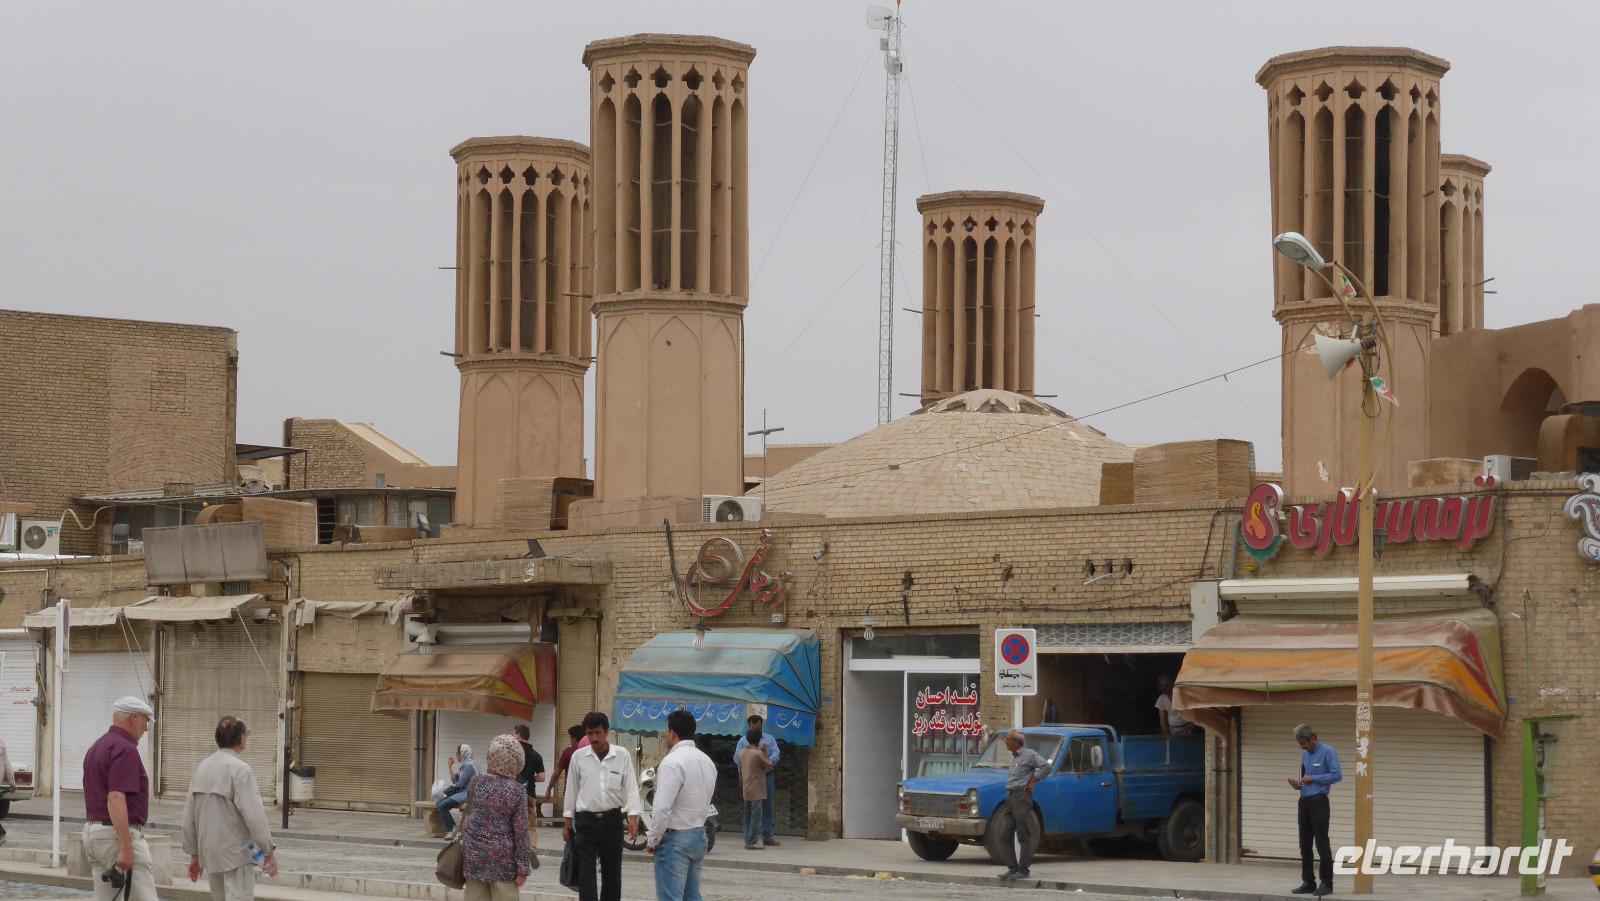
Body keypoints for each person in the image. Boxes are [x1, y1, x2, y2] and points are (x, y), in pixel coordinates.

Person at [181, 716, 278, 900]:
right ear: (241, 739)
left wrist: (194, 854)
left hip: (211, 855)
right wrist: (268, 851)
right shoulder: (241, 770)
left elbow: (188, 817)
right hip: (237, 855)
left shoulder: (202, 767)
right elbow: (255, 817)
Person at [82, 696, 157, 901]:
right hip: (115, 836)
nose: (146, 728)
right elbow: (115, 797)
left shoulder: (97, 746)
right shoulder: (125, 749)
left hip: (94, 833)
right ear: (133, 719)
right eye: (145, 721)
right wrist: (126, 847)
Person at [562, 711, 641, 901]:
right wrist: (567, 822)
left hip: (612, 820)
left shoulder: (621, 755)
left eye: (597, 733)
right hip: (585, 822)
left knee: (612, 872)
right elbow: (571, 790)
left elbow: (631, 787)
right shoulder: (578, 757)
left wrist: (633, 817)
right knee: (586, 875)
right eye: (590, 734)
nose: (594, 738)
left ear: (606, 732)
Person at [648, 709, 716, 901]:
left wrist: (653, 839)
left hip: (675, 838)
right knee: (692, 896)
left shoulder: (672, 761)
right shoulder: (706, 761)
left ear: (672, 733)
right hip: (698, 834)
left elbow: (662, 807)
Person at [461, 734, 533, 901]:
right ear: (514, 760)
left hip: (474, 858)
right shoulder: (517, 790)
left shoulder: (476, 782)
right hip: (503, 862)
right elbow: (521, 833)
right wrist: (523, 868)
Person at [1289, 723, 1341, 897]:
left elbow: (1337, 775)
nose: (1301, 747)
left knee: (1321, 842)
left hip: (1319, 802)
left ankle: (1327, 882)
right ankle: (1308, 881)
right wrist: (1299, 784)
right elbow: (1305, 778)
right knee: (1304, 843)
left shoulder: (1328, 751)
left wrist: (1314, 778)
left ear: (1312, 739)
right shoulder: (1305, 754)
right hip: (1304, 800)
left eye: (1303, 743)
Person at [996, 730, 1050, 881]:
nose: (1005, 743)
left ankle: (1023, 869)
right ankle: (1012, 868)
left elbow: (1046, 767)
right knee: (1004, 834)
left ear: (1017, 742)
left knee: (1023, 835)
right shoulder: (1014, 757)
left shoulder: (1029, 754)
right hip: (1010, 797)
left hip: (1022, 797)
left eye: (1008, 740)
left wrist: (1033, 781)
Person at [732, 713, 780, 846]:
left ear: (761, 725)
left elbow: (776, 754)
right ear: (749, 727)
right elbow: (736, 758)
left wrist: (769, 759)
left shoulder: (769, 739)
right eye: (754, 729)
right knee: (750, 810)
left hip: (766, 777)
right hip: (750, 779)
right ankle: (749, 837)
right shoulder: (743, 742)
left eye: (758, 729)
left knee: (767, 807)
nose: (756, 732)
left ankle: (767, 836)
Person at [736, 729, 772, 851]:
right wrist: (765, 751)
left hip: (746, 787)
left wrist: (742, 785)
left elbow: (739, 772)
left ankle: (747, 839)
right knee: (756, 816)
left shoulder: (742, 753)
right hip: (757, 789)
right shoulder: (758, 754)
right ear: (758, 741)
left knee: (747, 815)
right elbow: (769, 765)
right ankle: (752, 842)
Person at [512, 724, 544, 858]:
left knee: (512, 823)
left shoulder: (512, 752)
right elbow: (542, 777)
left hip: (512, 794)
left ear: (518, 735)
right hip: (529, 794)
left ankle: (515, 851)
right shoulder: (536, 755)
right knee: (531, 826)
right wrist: (530, 779)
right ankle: (532, 848)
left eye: (513, 734)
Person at [438, 743, 478, 839]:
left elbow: (459, 785)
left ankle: (452, 829)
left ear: (463, 753)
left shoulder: (469, 766)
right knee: (439, 803)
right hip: (463, 792)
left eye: (457, 753)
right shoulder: (465, 765)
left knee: (442, 805)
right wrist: (450, 767)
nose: (456, 755)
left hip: (469, 794)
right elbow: (455, 781)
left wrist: (449, 790)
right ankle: (452, 828)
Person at [545, 725, 586, 810]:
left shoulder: (568, 752)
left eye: (570, 738)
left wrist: (549, 788)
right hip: (586, 791)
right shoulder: (590, 751)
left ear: (574, 738)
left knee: (570, 817)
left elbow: (556, 773)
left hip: (570, 791)